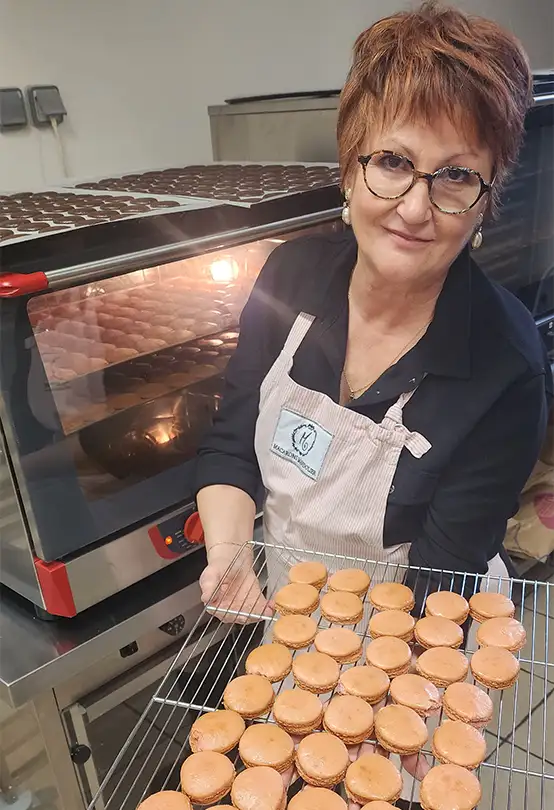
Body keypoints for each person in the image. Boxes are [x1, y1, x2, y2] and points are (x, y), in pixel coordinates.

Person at [195, 3, 551, 617]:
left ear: (485, 201)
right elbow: (230, 444)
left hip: (419, 631)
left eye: (457, 176)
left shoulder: (505, 366)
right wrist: (228, 554)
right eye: (392, 162)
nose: (415, 208)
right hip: (292, 610)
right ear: (348, 169)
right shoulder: (291, 278)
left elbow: (446, 572)